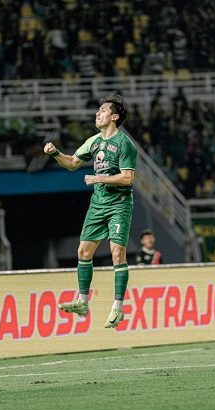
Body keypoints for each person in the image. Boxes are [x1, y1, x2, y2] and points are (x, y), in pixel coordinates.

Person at [43, 93, 137, 329]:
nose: (98, 113)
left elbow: (127, 178)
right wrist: (55, 153)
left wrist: (99, 177)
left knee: (117, 254)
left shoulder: (125, 144)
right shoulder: (94, 141)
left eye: (104, 110)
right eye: (98, 110)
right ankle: (82, 302)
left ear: (114, 116)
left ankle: (117, 307)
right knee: (83, 252)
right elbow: (73, 163)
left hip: (119, 204)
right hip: (98, 204)